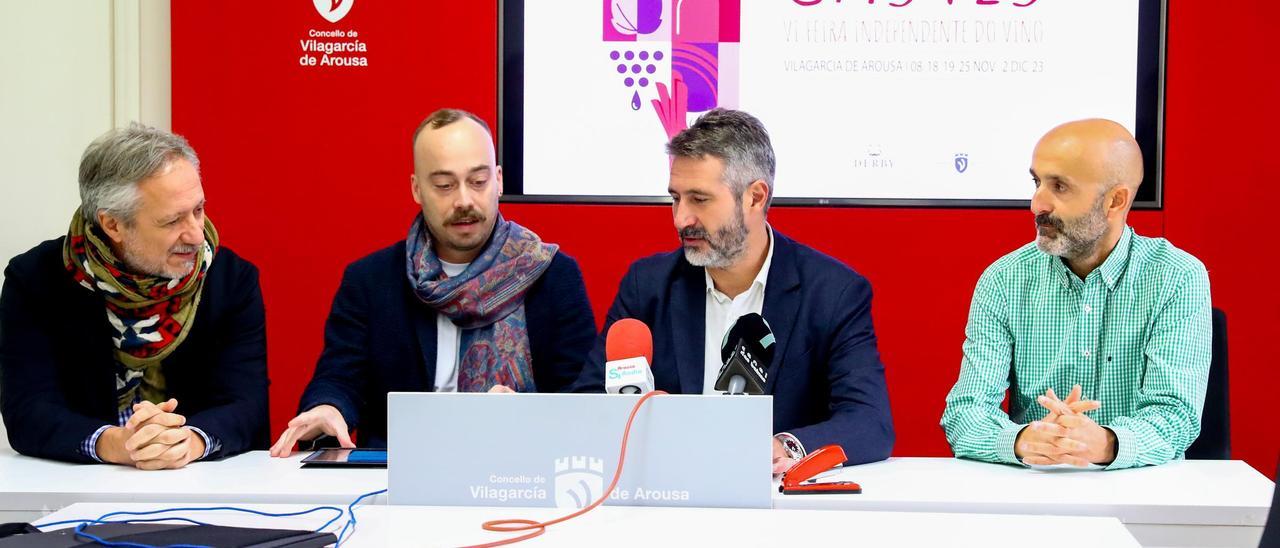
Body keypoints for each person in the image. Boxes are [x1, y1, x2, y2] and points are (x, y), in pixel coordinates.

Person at [571, 108, 894, 474]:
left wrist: (785, 446)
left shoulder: (832, 292)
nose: (681, 219)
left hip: (777, 507)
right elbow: (589, 401)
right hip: (667, 493)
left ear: (755, 198)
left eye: (700, 199)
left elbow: (870, 422)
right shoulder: (648, 286)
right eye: (676, 198)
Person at [270, 109, 596, 454]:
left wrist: (526, 414)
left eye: (478, 181)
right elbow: (340, 377)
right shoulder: (370, 282)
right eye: (444, 185)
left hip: (522, 474)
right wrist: (328, 407)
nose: (464, 201)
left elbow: (584, 401)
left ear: (499, 180)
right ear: (416, 188)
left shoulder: (552, 274)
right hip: (397, 477)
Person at [941, 119, 1212, 469]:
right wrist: (1023, 439)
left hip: (1142, 491)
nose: (1037, 204)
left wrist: (1104, 444)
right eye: (1037, 182)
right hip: (1034, 487)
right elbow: (966, 412)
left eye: (1060, 187)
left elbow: (1176, 416)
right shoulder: (1004, 280)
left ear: (1116, 201)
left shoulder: (1175, 277)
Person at [0, 123, 269, 469]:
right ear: (113, 225)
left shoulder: (230, 278)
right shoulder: (34, 280)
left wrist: (188, 441)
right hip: (81, 486)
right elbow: (29, 410)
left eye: (198, 210)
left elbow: (247, 404)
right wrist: (116, 444)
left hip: (201, 481)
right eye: (172, 221)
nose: (196, 234)